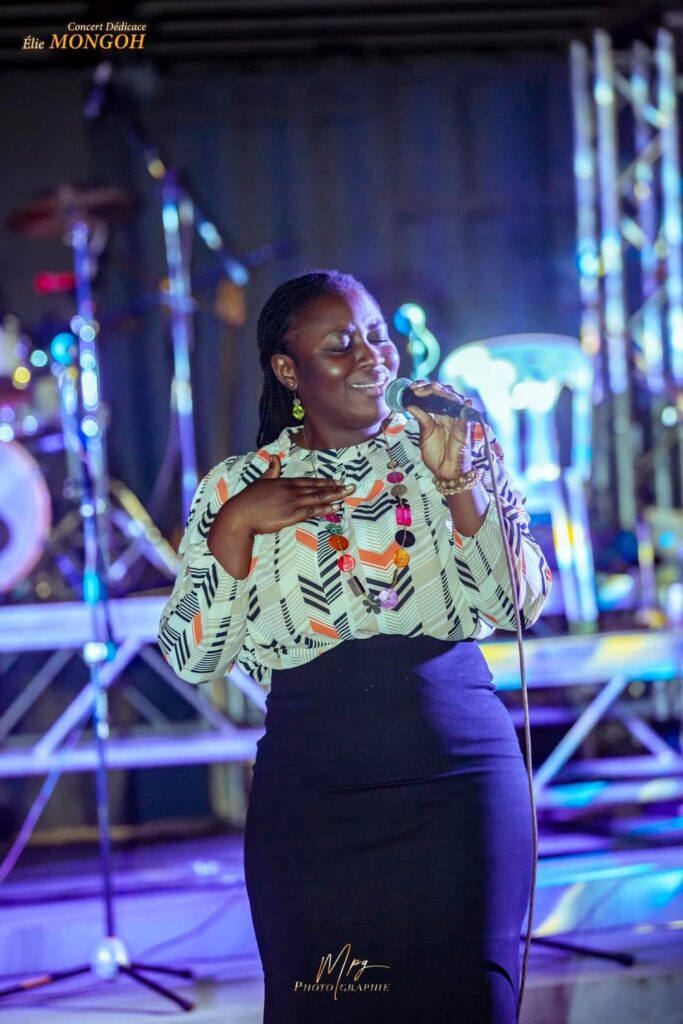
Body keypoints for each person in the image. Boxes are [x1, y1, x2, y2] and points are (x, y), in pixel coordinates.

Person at [157, 269, 552, 1023]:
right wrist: (235, 527)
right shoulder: (237, 486)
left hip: (457, 780)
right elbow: (192, 656)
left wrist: (459, 483)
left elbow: (516, 604)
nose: (373, 356)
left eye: (376, 335)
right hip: (313, 797)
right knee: (325, 1006)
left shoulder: (452, 447)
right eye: (340, 344)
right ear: (288, 370)